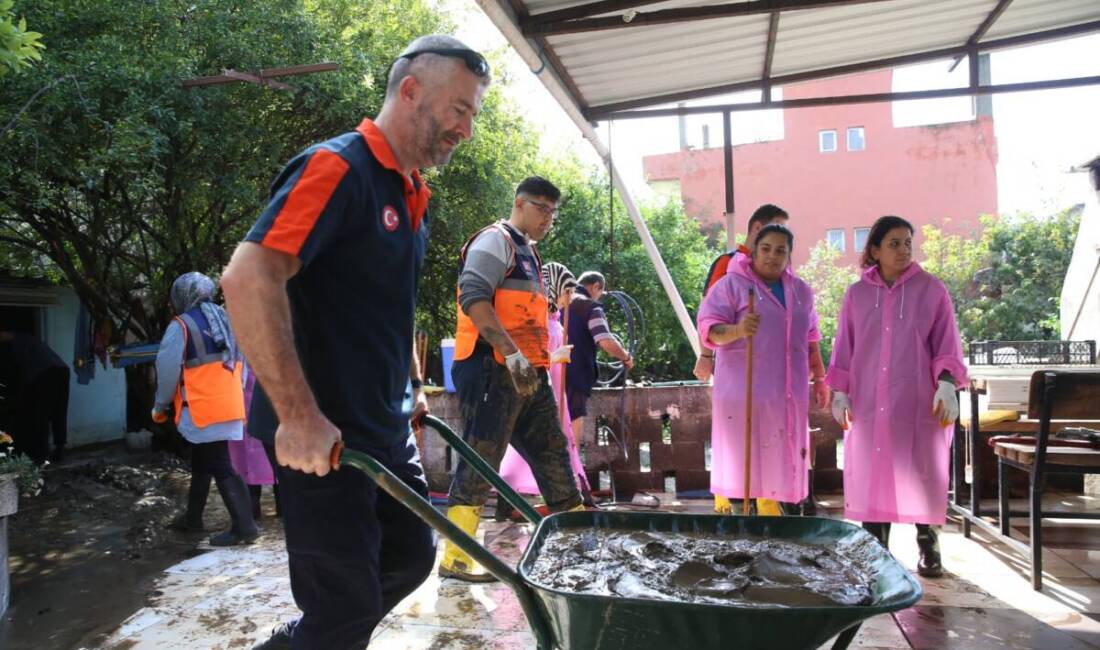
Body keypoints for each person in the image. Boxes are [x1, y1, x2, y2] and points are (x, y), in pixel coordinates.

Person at [220, 34, 491, 649]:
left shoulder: (410, 193)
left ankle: (307, 640)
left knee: (409, 559)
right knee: (344, 606)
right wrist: (297, 416)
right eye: (459, 109)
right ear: (412, 91)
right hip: (323, 439)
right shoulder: (338, 168)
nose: (466, 130)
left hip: (383, 431)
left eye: (472, 114)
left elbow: (382, 310)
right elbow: (249, 276)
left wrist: (412, 385)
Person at [442, 176, 584, 582]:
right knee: (480, 458)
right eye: (543, 209)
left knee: (552, 452)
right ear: (520, 203)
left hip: (527, 373)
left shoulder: (529, 254)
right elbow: (474, 298)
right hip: (491, 367)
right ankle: (455, 557)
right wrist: (511, 354)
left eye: (554, 212)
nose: (549, 219)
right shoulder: (495, 241)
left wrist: (530, 363)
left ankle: (578, 545)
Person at [826, 215, 966, 578]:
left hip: (917, 399)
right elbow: (844, 347)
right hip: (868, 402)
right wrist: (839, 392)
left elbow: (946, 344)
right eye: (894, 243)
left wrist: (947, 383)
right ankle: (874, 551)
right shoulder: (857, 295)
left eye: (908, 242)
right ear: (874, 250)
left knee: (920, 472)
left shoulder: (932, 290)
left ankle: (928, 545)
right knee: (873, 473)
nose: (904, 250)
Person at [697, 224, 827, 517]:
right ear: (754, 252)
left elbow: (811, 338)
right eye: (766, 249)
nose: (773, 256)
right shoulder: (731, 285)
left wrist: (820, 378)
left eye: (781, 250)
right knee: (743, 467)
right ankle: (741, 528)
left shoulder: (801, 291)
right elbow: (709, 330)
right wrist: (738, 330)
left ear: (789, 255)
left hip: (786, 395)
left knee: (781, 463)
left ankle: (782, 530)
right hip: (743, 395)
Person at [153, 272, 259, 547]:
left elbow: (166, 371)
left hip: (201, 407)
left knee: (220, 463)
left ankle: (245, 527)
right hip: (229, 403)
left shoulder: (182, 325)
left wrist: (160, 405)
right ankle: (192, 518)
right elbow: (243, 364)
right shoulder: (227, 320)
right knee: (203, 458)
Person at [497, 261, 591, 519]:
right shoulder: (538, 320)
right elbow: (528, 358)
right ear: (554, 289)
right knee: (530, 450)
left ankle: (562, 500)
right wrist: (555, 356)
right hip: (539, 391)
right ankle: (512, 501)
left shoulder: (553, 320)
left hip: (554, 393)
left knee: (547, 448)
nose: (569, 299)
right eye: (566, 292)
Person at [695, 203, 790, 382]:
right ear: (758, 228)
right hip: (736, 367)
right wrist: (706, 356)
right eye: (777, 228)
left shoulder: (779, 272)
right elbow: (708, 313)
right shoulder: (726, 263)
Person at [564, 271, 633, 442]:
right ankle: (572, 467)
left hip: (551, 370)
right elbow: (605, 340)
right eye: (600, 293)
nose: (599, 298)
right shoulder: (590, 307)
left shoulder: (559, 300)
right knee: (574, 420)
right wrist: (625, 358)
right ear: (595, 286)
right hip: (575, 373)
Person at [0, 330, 70, 464]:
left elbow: (22, 371)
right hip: (62, 370)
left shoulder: (16, 344)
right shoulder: (29, 339)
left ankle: (41, 455)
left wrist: (19, 397)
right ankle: (59, 450)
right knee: (59, 412)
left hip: (47, 373)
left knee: (41, 415)